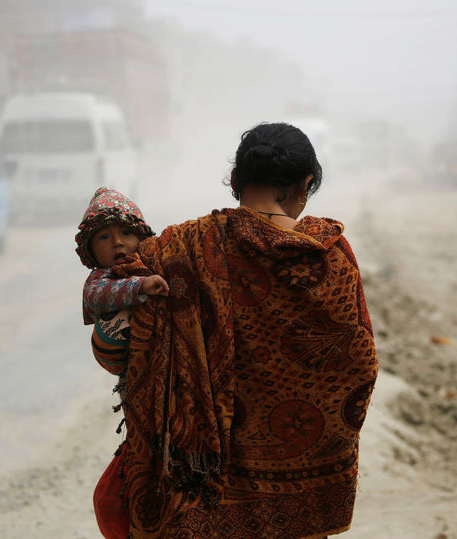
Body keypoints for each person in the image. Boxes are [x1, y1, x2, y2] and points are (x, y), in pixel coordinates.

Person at [97, 122, 379, 538]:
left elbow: (111, 346)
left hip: (201, 494)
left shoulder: (177, 249)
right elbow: (360, 365)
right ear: (304, 184)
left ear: (235, 180)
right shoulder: (333, 259)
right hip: (306, 500)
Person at [74, 187, 169, 539]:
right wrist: (141, 286)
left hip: (168, 388)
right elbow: (99, 297)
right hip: (138, 391)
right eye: (104, 236)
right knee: (114, 496)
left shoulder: (157, 265)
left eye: (127, 233)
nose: (118, 243)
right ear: (90, 249)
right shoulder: (100, 281)